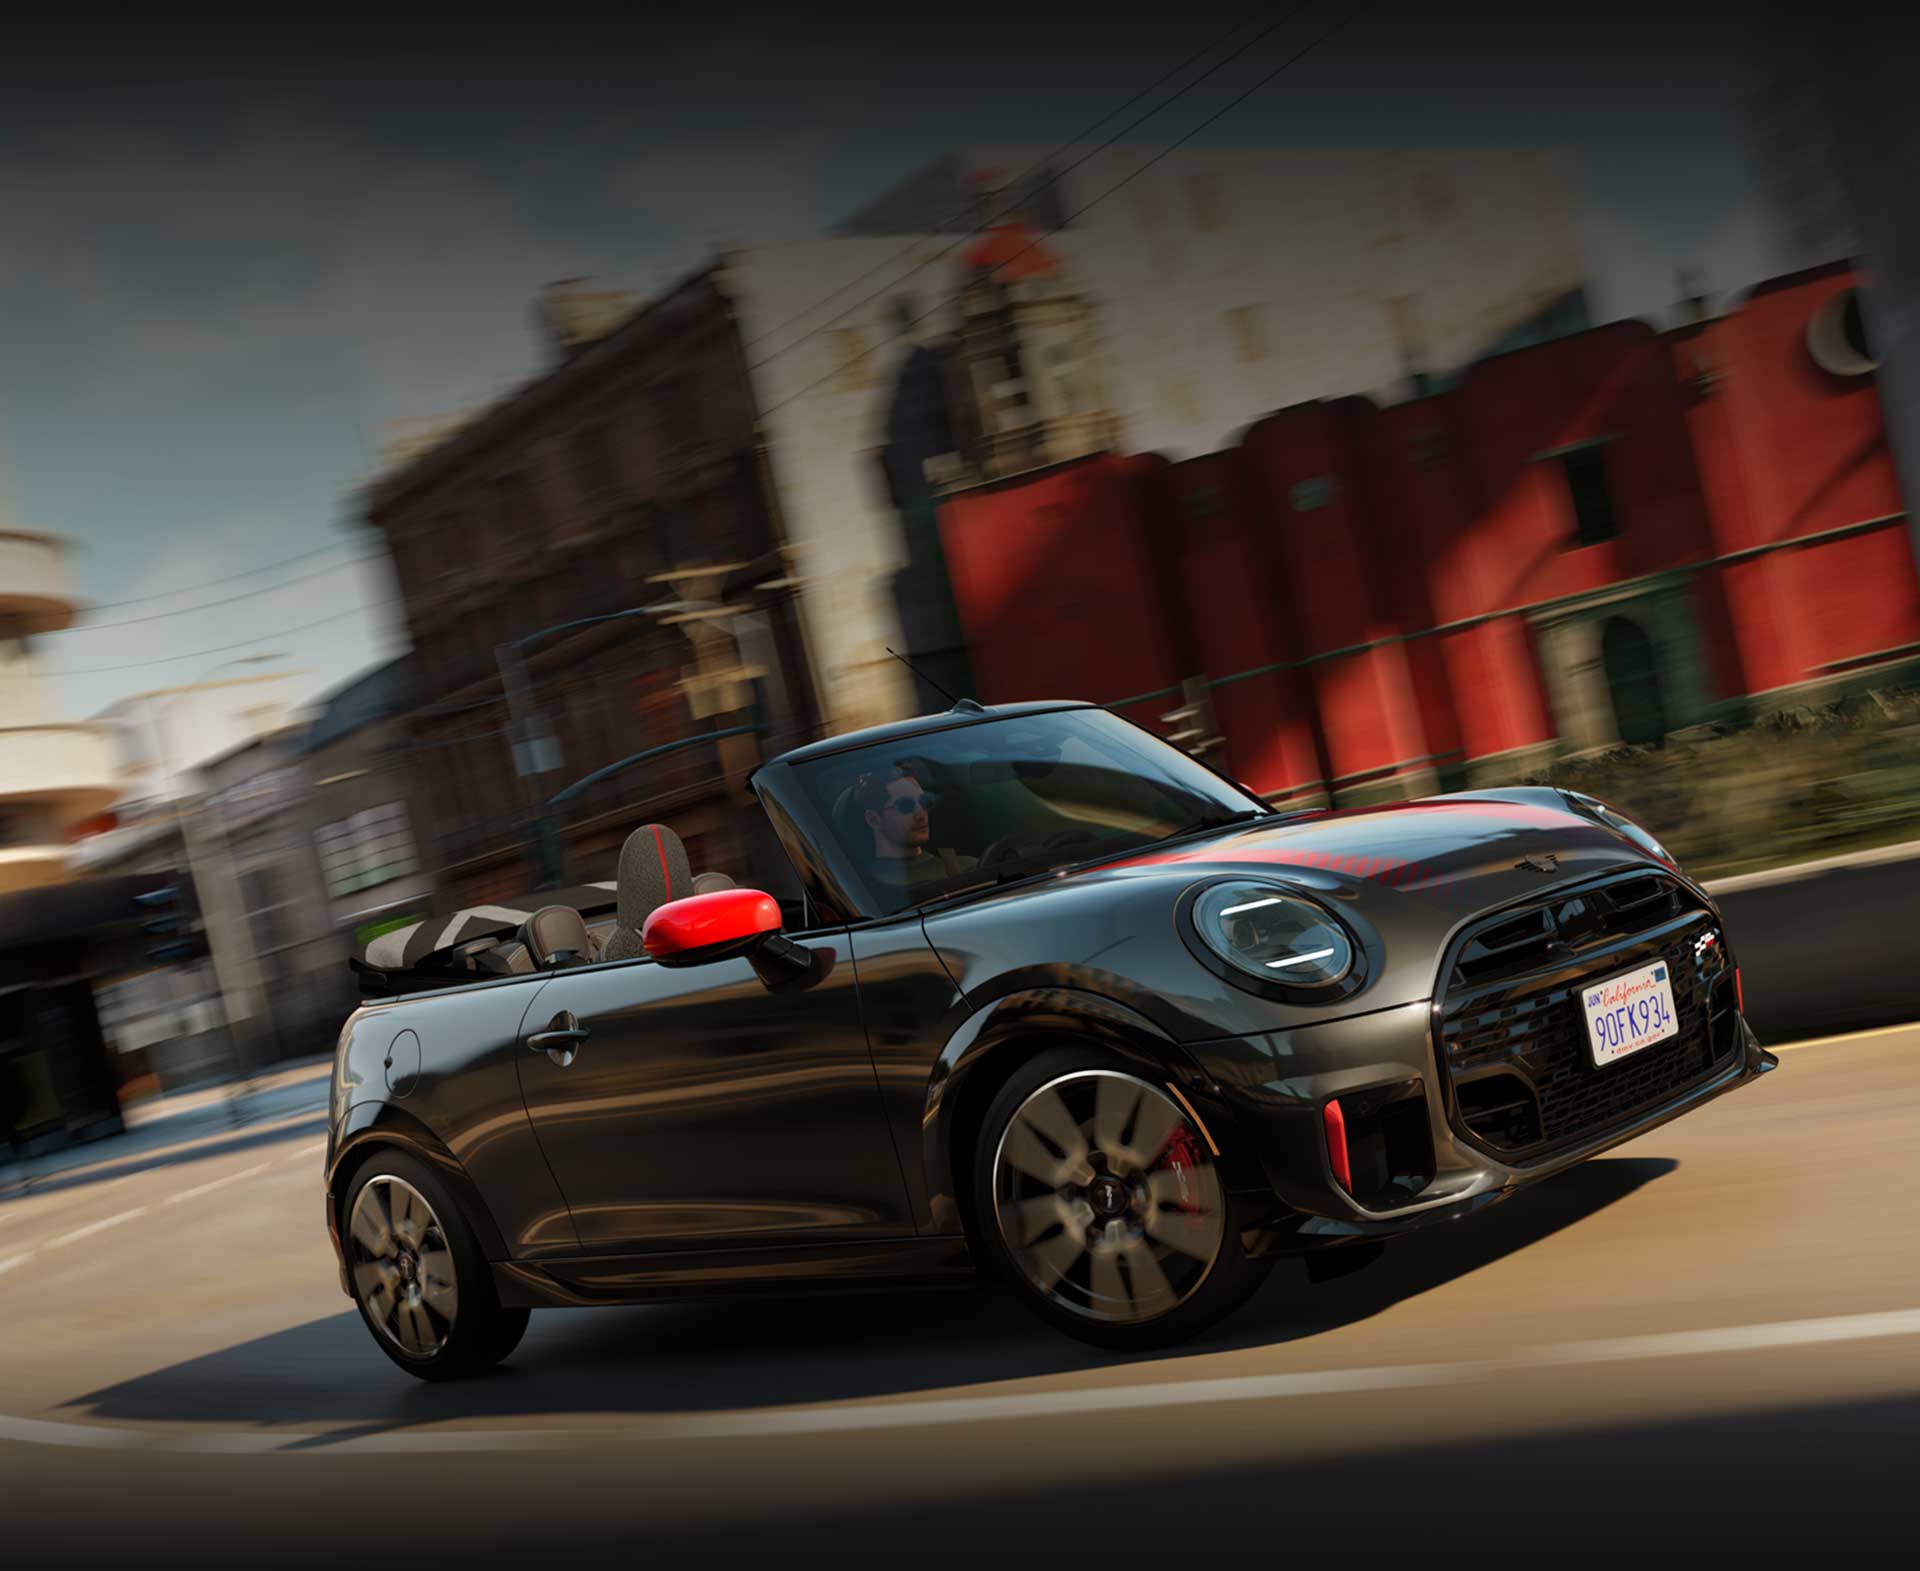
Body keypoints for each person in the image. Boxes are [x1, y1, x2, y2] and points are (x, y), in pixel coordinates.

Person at [854, 765, 979, 901]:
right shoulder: (871, 890)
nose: (921, 814)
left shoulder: (968, 866)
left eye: (924, 802)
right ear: (874, 820)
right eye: (906, 805)